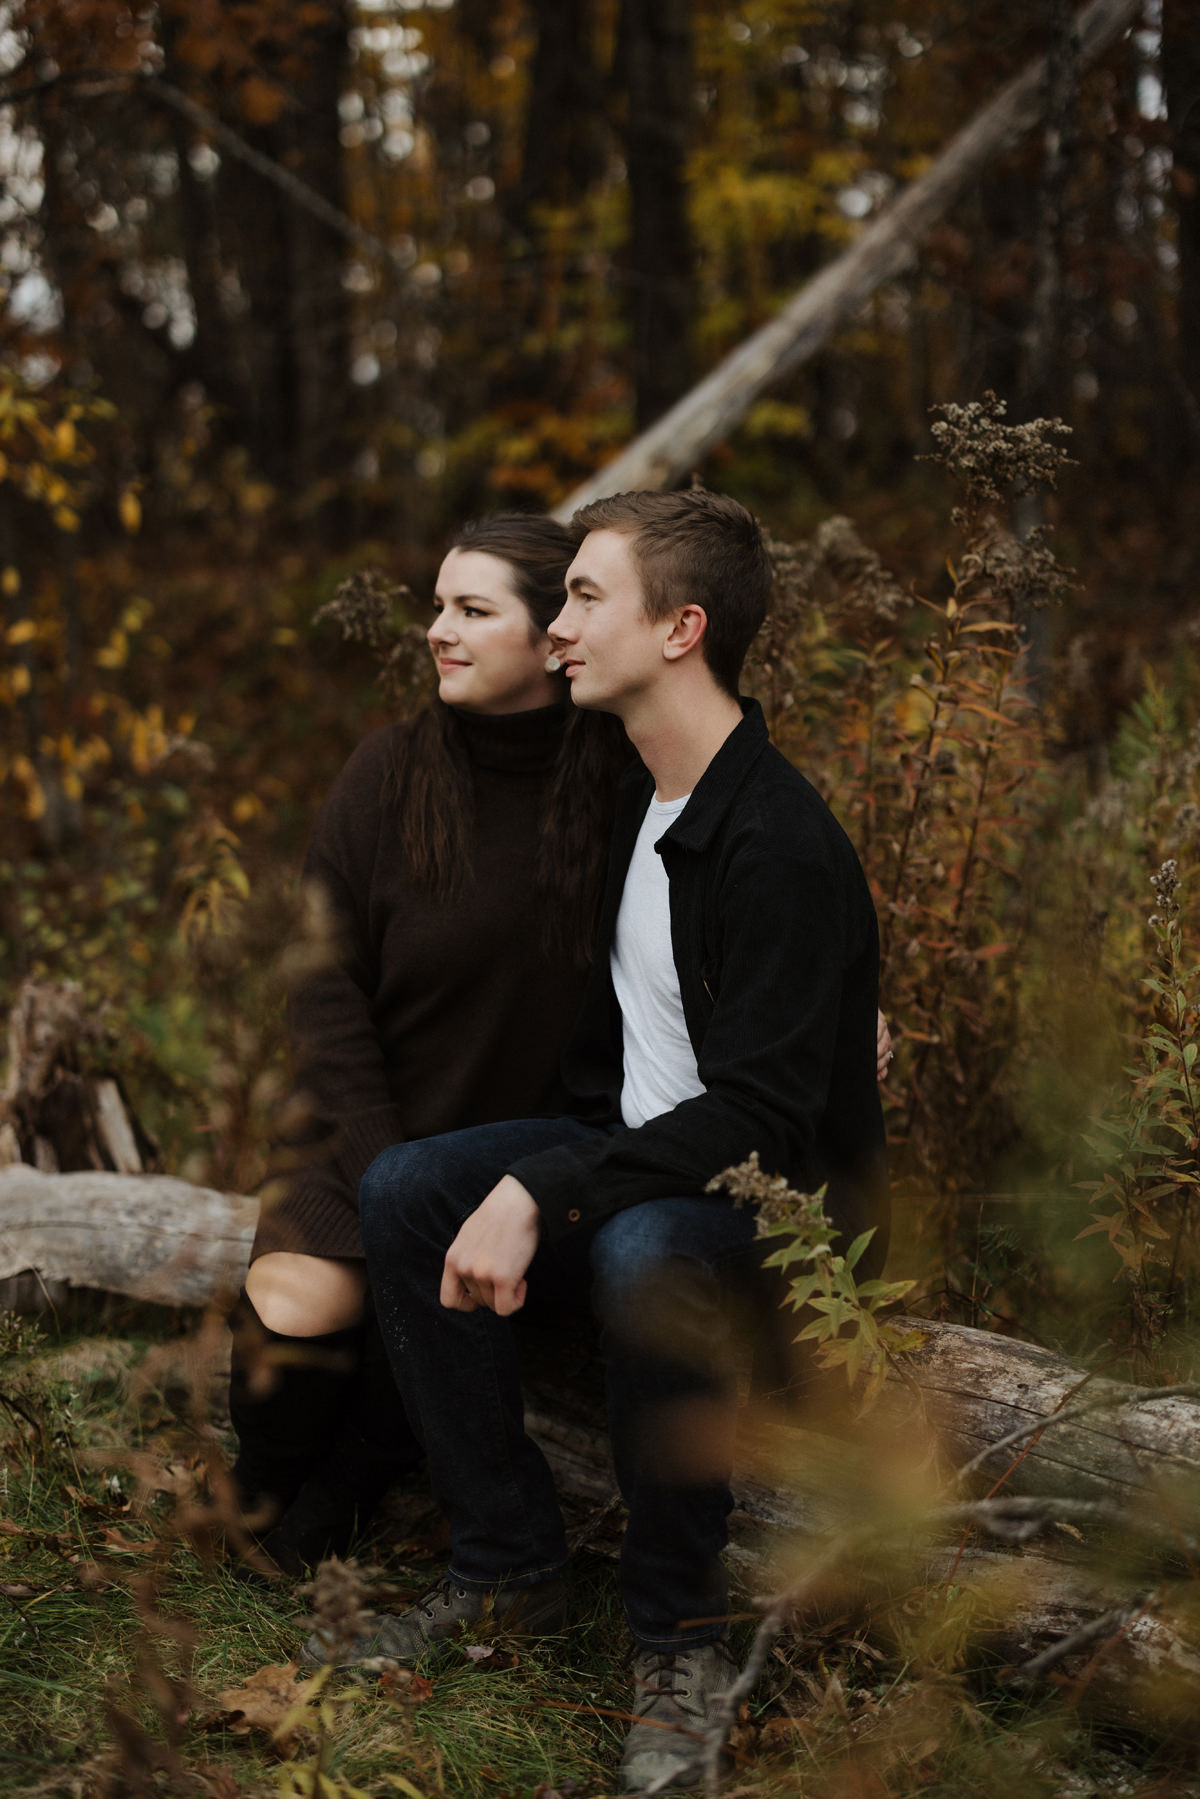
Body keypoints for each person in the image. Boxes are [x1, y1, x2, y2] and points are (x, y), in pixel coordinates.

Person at [343, 490, 889, 1792]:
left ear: (683, 628)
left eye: (587, 596)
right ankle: (509, 1561)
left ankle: (679, 1632)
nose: (560, 623)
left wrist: (547, 1186)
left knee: (642, 1245)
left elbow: (757, 1118)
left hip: (775, 1213)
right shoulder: (640, 786)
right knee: (407, 1186)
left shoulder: (777, 841)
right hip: (641, 1149)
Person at [227, 514, 631, 1573]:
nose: (436, 631)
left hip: (511, 1155)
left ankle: (360, 1477)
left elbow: (735, 909)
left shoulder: (622, 783)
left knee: (430, 1290)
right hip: (361, 1121)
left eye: (470, 609)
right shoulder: (387, 772)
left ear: (554, 637)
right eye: (436, 606)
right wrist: (372, 1161)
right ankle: (268, 1490)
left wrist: (838, 1006)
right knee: (302, 1300)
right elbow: (317, 985)